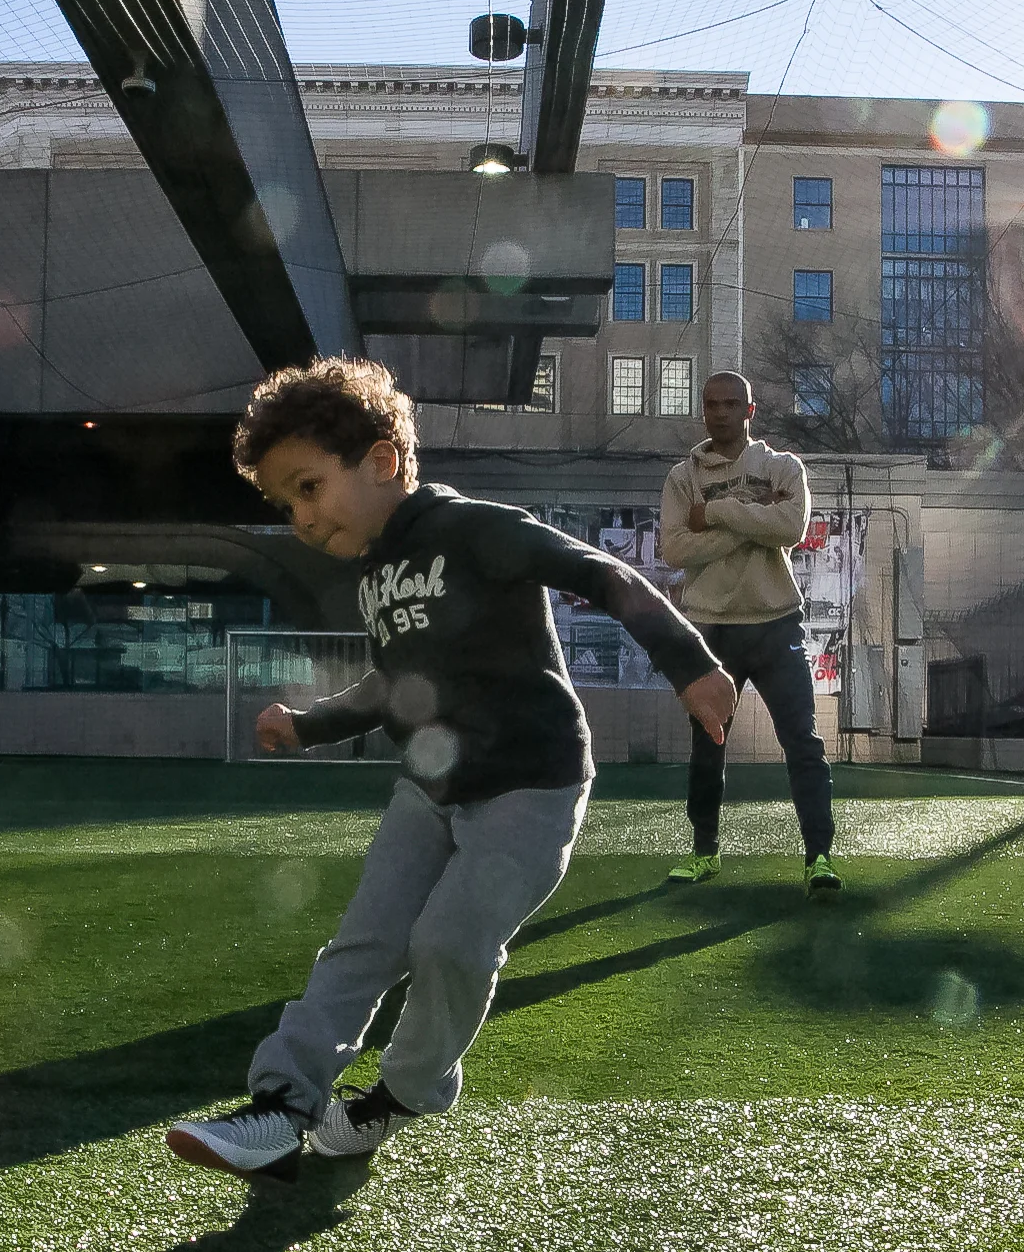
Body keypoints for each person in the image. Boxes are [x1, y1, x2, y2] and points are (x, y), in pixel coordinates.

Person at [163, 357, 735, 1181]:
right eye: (284, 501)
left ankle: (396, 1095)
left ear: (382, 461)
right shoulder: (375, 574)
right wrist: (310, 723)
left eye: (308, 487)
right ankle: (280, 1105)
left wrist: (691, 664)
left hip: (530, 786)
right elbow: (392, 683)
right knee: (363, 941)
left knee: (446, 943)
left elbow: (599, 572)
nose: (298, 517)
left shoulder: (471, 528)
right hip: (428, 788)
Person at [659, 371, 841, 894]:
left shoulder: (781, 467)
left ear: (749, 410)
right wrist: (751, 524)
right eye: (711, 403)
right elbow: (674, 549)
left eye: (730, 403)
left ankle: (819, 858)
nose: (720, 412)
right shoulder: (681, 478)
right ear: (702, 410)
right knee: (707, 744)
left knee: (802, 742)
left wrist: (716, 513)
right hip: (710, 631)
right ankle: (703, 853)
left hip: (776, 623)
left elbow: (791, 529)